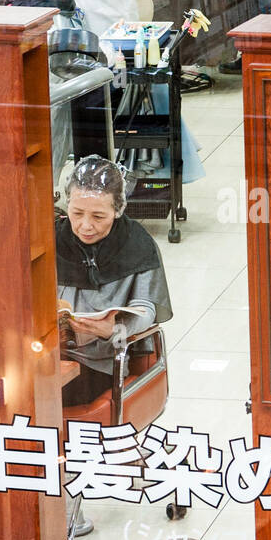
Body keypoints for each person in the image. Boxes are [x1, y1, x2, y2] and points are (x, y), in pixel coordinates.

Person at [57, 156, 173, 410]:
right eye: (76, 213)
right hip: (47, 354)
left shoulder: (137, 245)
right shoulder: (52, 239)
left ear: (117, 210)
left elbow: (146, 309)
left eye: (98, 216)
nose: (85, 226)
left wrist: (113, 329)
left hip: (101, 361)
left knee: (46, 399)